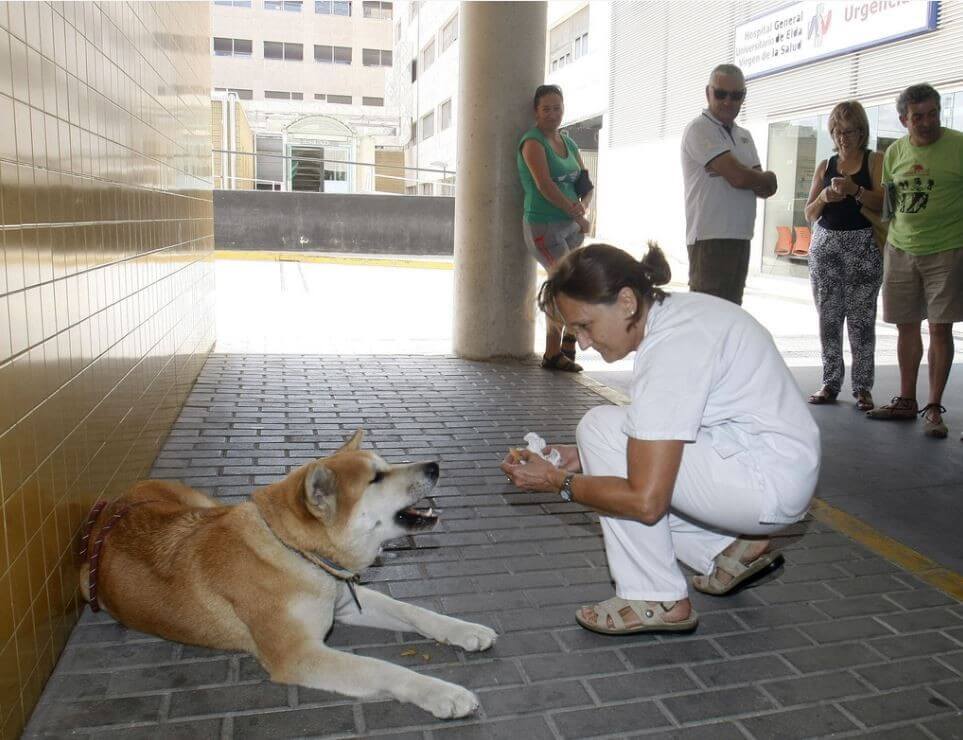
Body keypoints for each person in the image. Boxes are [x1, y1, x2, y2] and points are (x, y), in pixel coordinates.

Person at [501, 244, 820, 634]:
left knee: (601, 430)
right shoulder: (679, 318)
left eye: (585, 325)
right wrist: (582, 457)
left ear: (626, 301)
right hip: (773, 465)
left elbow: (646, 502)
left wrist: (559, 483)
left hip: (765, 482)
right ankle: (723, 550)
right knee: (601, 438)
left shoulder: (672, 348)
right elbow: (662, 429)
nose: (582, 343)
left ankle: (655, 597)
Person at [866, 84, 963, 439]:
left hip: (947, 249)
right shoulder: (893, 153)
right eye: (918, 116)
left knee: (940, 327)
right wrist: (887, 242)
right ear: (903, 119)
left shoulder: (958, 146)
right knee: (906, 324)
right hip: (901, 249)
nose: (926, 122)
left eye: (932, 113)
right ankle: (906, 400)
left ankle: (933, 408)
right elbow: (889, 205)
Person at [803, 101, 885, 411]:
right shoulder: (825, 165)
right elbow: (809, 213)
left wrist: (854, 190)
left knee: (862, 321)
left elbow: (883, 204)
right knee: (828, 318)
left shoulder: (874, 160)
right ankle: (830, 381)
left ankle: (863, 387)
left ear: (862, 131)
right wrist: (825, 195)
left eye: (848, 131)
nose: (842, 138)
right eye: (836, 131)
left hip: (863, 247)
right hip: (825, 248)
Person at [681, 64, 778, 305]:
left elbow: (766, 189)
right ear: (708, 93)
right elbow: (740, 178)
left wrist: (754, 178)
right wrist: (759, 177)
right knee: (708, 319)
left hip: (741, 238)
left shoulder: (744, 135)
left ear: (743, 97)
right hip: (709, 240)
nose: (728, 101)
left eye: (736, 95)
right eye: (720, 94)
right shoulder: (699, 128)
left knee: (731, 316)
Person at [518, 84, 593, 372]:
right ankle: (553, 353)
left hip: (571, 226)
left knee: (573, 285)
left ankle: (569, 340)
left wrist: (583, 204)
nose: (553, 113)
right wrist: (576, 212)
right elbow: (544, 185)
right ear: (536, 111)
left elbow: (584, 182)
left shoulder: (568, 142)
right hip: (544, 226)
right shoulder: (532, 142)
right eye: (546, 108)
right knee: (563, 286)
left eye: (557, 107)